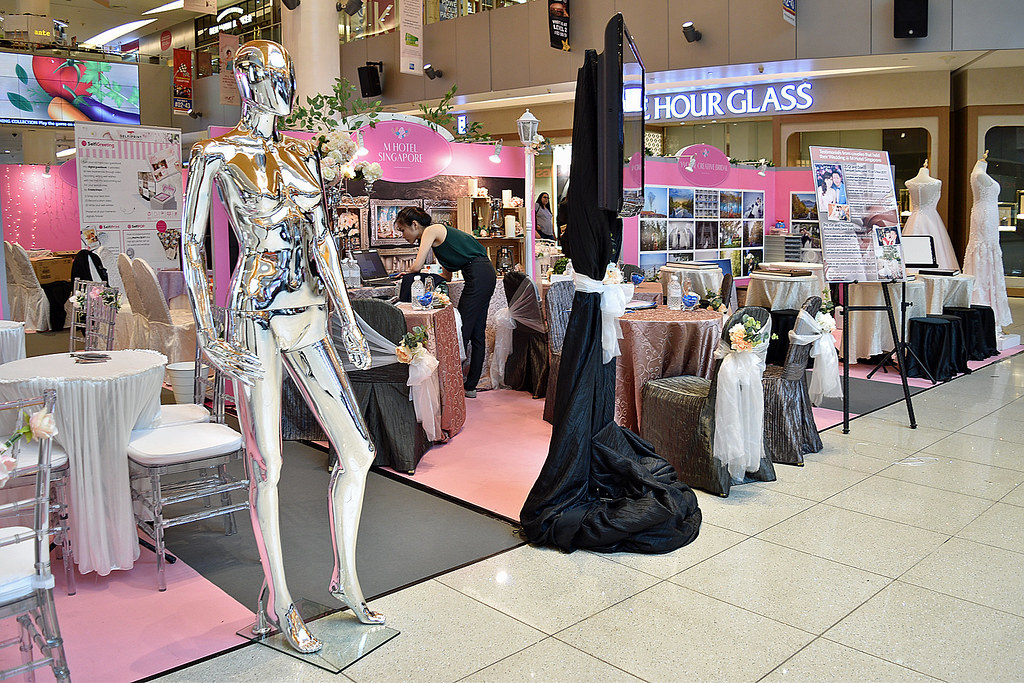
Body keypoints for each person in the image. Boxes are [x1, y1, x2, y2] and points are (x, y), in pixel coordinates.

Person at [181, 40, 383, 656]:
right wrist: (208, 334)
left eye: (284, 75)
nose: (279, 86)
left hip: (307, 315)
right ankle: (280, 600)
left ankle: (345, 578)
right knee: (267, 464)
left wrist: (347, 318)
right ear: (245, 80)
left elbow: (322, 245)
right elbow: (191, 248)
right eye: (267, 75)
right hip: (252, 320)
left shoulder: (302, 161)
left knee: (359, 450)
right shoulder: (216, 155)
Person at [395, 206, 497, 398]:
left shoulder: (432, 230)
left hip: (478, 274)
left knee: (461, 330)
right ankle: (470, 386)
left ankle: (452, 386)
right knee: (475, 331)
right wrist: (425, 274)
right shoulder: (438, 239)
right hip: (481, 273)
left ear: (415, 224)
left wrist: (408, 273)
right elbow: (446, 276)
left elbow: (416, 265)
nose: (403, 235)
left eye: (403, 230)